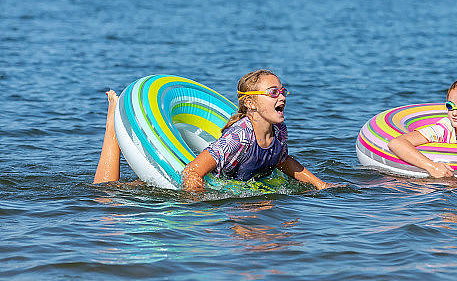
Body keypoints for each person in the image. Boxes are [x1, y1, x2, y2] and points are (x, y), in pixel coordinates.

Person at [94, 69, 334, 191]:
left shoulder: (279, 131)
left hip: (238, 182)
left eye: (283, 91)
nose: (281, 96)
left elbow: (283, 160)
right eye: (273, 93)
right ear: (250, 104)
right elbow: (192, 172)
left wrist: (320, 184)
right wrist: (199, 205)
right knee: (108, 197)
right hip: (204, 180)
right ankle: (114, 124)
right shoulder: (238, 137)